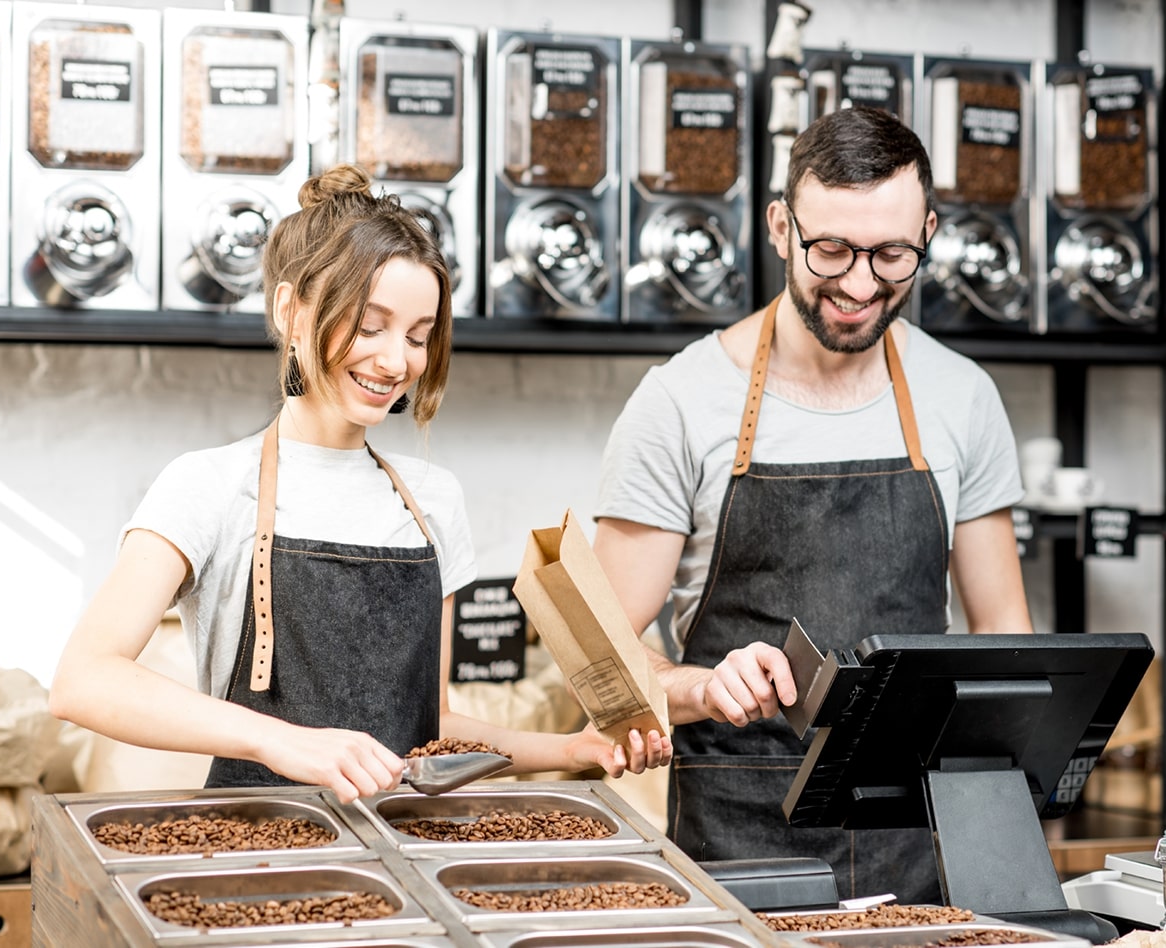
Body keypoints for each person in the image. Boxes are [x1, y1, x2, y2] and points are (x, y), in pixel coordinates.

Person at [50, 164, 670, 804]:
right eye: (370, 327)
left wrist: (567, 751)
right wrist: (278, 739)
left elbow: (432, 733)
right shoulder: (207, 484)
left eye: (418, 336)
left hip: (407, 849)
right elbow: (83, 680)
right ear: (291, 312)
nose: (396, 360)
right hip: (261, 853)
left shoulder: (433, 501)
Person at [591, 108, 1032, 903]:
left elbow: (1008, 647)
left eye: (893, 254)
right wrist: (702, 687)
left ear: (928, 231)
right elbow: (601, 666)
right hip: (740, 854)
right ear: (780, 227)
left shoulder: (963, 398)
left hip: (921, 854)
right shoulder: (680, 402)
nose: (861, 285)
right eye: (831, 249)